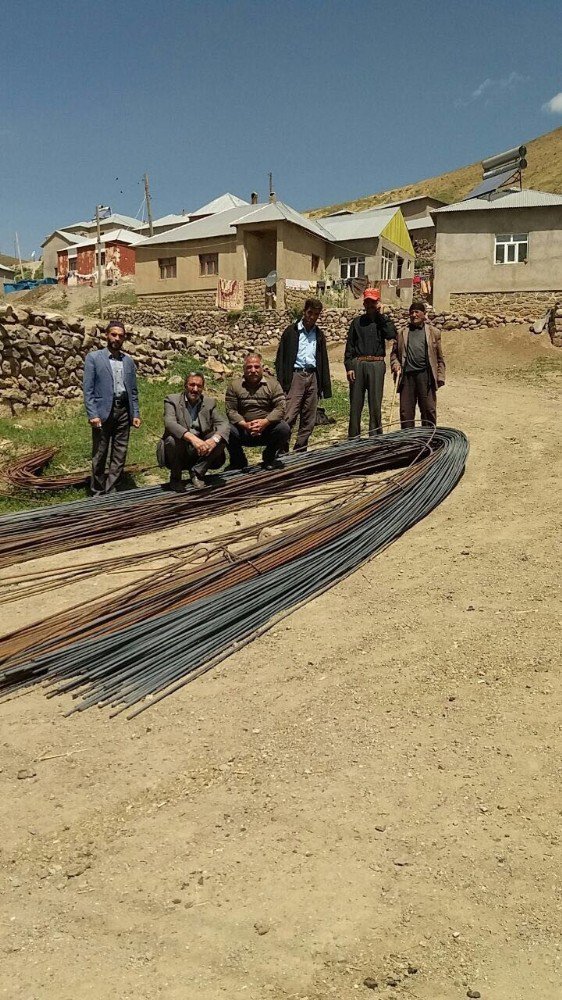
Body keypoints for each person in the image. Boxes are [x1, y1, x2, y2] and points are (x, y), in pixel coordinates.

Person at [82, 320, 141, 496]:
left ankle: (112, 487)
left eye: (120, 336)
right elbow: (88, 389)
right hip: (102, 411)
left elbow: (133, 391)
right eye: (113, 334)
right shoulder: (94, 358)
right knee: (100, 452)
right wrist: (93, 414)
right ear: (106, 335)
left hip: (123, 411)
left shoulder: (128, 361)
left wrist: (135, 413)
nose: (117, 338)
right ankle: (98, 489)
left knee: (120, 451)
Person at [275, 297, 332, 452]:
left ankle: (301, 449)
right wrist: (282, 382)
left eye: (316, 314)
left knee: (309, 417)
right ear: (304, 312)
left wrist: (322, 385)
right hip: (296, 376)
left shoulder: (319, 334)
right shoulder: (291, 332)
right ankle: (282, 449)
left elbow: (323, 360)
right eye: (310, 313)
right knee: (289, 415)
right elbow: (280, 359)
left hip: (312, 377)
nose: (312, 317)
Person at [157, 372, 229, 490]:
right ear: (185, 386)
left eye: (199, 386)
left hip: (200, 450)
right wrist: (193, 439)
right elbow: (169, 423)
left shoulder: (209, 403)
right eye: (192, 385)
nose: (195, 389)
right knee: (171, 439)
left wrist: (213, 440)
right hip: (180, 447)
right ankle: (175, 477)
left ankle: (197, 472)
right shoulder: (172, 400)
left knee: (221, 437)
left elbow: (224, 424)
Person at [344, 288, 397, 437]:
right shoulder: (357, 323)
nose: (370, 305)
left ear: (377, 302)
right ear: (364, 303)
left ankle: (375, 437)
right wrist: (349, 366)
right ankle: (354, 438)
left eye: (373, 302)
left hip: (377, 364)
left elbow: (392, 334)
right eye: (367, 302)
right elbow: (350, 346)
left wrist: (382, 316)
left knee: (375, 404)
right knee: (355, 404)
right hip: (359, 364)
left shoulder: (382, 321)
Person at [225, 353, 290, 470]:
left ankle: (269, 457)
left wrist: (265, 422)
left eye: (256, 367)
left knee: (284, 429)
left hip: (267, 429)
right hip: (244, 431)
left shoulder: (273, 384)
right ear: (244, 369)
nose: (253, 370)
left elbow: (280, 408)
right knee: (226, 429)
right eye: (249, 367)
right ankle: (238, 461)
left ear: (262, 367)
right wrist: (245, 425)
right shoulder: (234, 386)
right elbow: (231, 411)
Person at [390, 300, 446, 429]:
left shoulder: (433, 332)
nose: (414, 315)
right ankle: (410, 443)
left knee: (428, 410)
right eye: (411, 312)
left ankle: (429, 440)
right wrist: (395, 364)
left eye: (417, 312)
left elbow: (439, 357)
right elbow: (393, 354)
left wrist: (440, 376)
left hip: (425, 377)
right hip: (407, 377)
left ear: (424, 314)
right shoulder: (402, 333)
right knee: (406, 412)